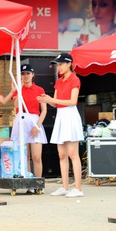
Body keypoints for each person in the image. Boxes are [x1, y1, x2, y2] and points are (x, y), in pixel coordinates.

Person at [37, 52, 84, 198]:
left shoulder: (75, 80)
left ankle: (78, 188)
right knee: (62, 154)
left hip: (70, 115)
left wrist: (53, 100)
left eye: (61, 64)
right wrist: (46, 100)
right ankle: (65, 186)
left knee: (72, 154)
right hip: (61, 116)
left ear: (69, 64)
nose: (59, 67)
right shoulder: (59, 81)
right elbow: (56, 103)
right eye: (58, 64)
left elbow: (72, 101)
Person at [10, 64, 48, 194]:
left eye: (28, 73)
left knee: (36, 156)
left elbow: (44, 110)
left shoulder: (39, 89)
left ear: (32, 75)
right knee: (24, 155)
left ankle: (38, 183)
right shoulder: (18, 89)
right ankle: (28, 182)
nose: (25, 76)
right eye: (23, 74)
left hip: (34, 120)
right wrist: (18, 89)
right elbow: (15, 105)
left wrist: (37, 125)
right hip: (21, 119)